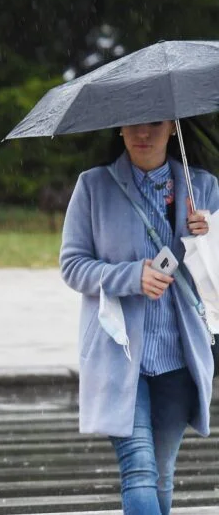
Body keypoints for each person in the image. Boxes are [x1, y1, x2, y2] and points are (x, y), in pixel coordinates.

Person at [60, 120, 217, 514]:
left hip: (179, 355)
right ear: (119, 129)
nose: (142, 133)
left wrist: (210, 235)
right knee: (139, 470)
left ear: (173, 129)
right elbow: (73, 265)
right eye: (133, 124)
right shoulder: (94, 186)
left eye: (154, 124)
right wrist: (131, 276)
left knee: (161, 472)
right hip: (119, 353)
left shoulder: (205, 188)